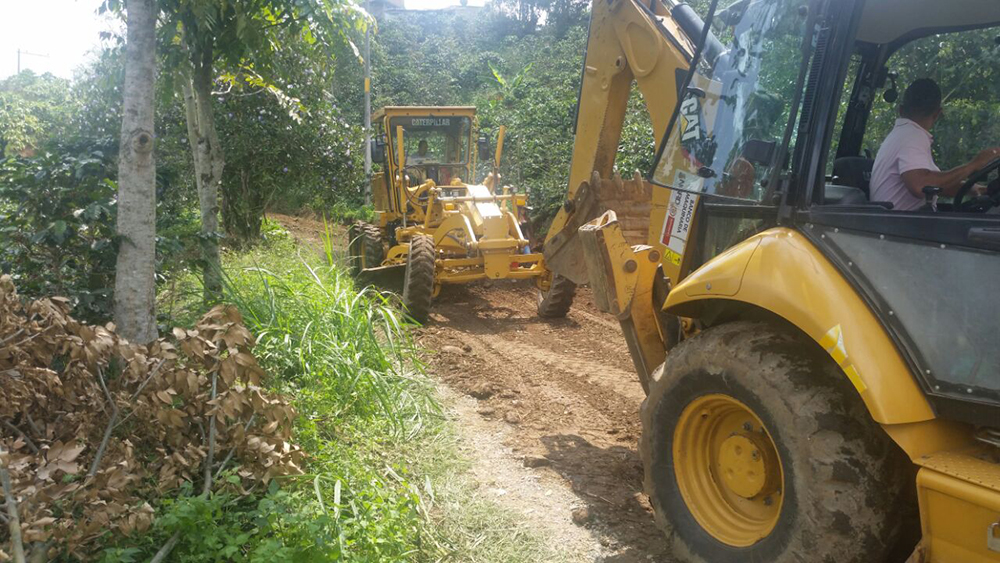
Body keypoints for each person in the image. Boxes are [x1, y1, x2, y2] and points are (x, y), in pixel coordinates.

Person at [871, 78, 1000, 211]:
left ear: (901, 110)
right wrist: (973, 165)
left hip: (899, 223)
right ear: (937, 113)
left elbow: (932, 186)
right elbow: (920, 186)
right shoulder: (912, 135)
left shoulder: (901, 134)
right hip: (901, 227)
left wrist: (972, 188)